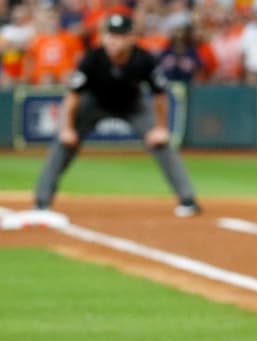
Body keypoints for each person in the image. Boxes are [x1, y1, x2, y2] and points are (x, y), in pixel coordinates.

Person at [31, 13, 201, 218]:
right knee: (63, 142)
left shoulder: (144, 59)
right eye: (110, 35)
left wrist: (161, 128)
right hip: (94, 103)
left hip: (132, 104)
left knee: (161, 143)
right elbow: (73, 95)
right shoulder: (93, 58)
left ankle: (188, 199)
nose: (113, 40)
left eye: (119, 36)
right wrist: (67, 128)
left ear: (131, 38)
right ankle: (41, 201)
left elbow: (159, 94)